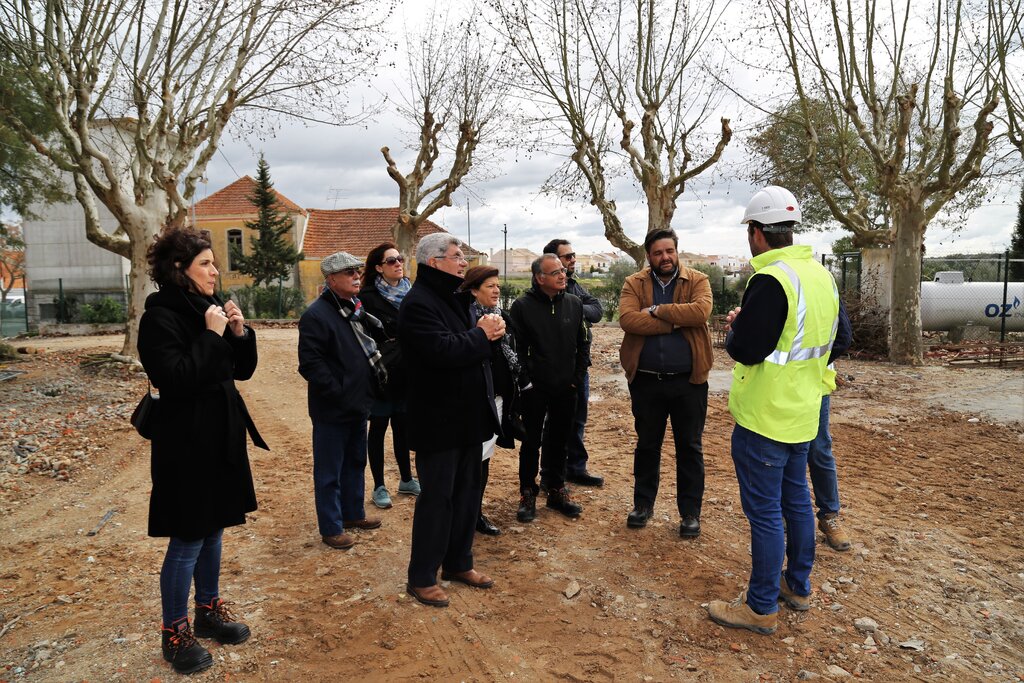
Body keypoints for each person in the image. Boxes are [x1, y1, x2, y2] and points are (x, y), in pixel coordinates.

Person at [707, 186, 840, 635]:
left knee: (765, 513)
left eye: (750, 231)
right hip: (804, 412)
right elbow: (838, 341)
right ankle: (797, 586)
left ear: (758, 233)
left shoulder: (771, 279)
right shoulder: (820, 275)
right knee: (797, 502)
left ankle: (760, 607)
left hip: (765, 417)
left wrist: (738, 326)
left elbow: (745, 349)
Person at [138, 227, 267, 675]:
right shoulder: (160, 318)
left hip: (221, 437)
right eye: (206, 263)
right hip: (185, 444)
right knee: (189, 535)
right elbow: (175, 380)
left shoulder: (207, 311)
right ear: (180, 270)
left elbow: (242, 371)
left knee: (215, 529)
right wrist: (212, 336)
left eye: (214, 262)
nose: (216, 270)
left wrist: (238, 331)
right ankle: (174, 632)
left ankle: (207, 611)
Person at [399, 233, 504, 608]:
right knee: (438, 499)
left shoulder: (457, 298)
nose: (464, 262)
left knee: (467, 494)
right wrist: (481, 335)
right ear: (434, 262)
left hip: (468, 415)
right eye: (457, 256)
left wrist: (486, 337)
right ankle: (422, 576)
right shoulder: (418, 304)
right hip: (438, 419)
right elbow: (440, 351)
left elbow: (469, 346)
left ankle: (459, 563)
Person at [618, 228, 713, 538]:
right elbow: (629, 320)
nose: (665, 257)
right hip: (646, 382)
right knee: (647, 445)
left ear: (677, 251)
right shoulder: (634, 282)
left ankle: (689, 514)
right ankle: (642, 506)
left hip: (689, 381)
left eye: (669, 251)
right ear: (649, 256)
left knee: (690, 447)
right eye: (658, 253)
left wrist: (659, 312)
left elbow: (700, 313)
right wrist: (676, 321)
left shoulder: (697, 280)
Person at [298, 251, 384, 553]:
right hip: (333, 408)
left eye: (357, 271)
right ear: (331, 279)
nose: (356, 276)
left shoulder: (355, 309)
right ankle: (332, 527)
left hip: (358, 403)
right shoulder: (316, 316)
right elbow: (310, 364)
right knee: (329, 470)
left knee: (355, 462)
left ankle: (353, 514)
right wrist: (339, 392)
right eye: (348, 273)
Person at [510, 253, 589, 523]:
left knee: (560, 439)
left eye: (562, 270)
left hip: (567, 387)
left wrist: (576, 378)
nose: (562, 274)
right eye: (554, 272)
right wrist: (527, 381)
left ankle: (555, 489)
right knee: (531, 442)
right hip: (535, 388)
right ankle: (527, 493)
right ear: (539, 278)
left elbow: (583, 343)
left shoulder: (574, 303)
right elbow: (517, 349)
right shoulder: (522, 306)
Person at [459, 265, 530, 536]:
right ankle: (465, 517)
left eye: (497, 285)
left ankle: (475, 514)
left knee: (484, 460)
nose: (497, 290)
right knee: (471, 461)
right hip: (476, 401)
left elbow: (513, 352)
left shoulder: (501, 315)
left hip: (499, 398)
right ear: (474, 290)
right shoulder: (467, 320)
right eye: (490, 286)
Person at [358, 242, 421, 509]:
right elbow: (364, 336)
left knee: (403, 427)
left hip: (408, 372)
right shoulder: (368, 297)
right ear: (378, 267)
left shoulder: (412, 292)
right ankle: (379, 485)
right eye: (392, 261)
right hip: (382, 373)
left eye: (400, 259)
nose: (398, 264)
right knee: (379, 428)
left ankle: (406, 479)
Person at [543, 239, 604, 487]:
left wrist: (574, 307)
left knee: (578, 419)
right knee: (555, 423)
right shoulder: (545, 289)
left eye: (573, 255)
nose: (572, 261)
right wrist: (576, 309)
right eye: (566, 257)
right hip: (554, 369)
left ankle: (576, 468)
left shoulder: (574, 286)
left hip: (580, 367)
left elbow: (597, 310)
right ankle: (551, 474)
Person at [811, 300, 853, 550]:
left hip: (815, 385)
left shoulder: (821, 281)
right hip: (779, 386)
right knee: (783, 449)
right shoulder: (775, 280)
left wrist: (811, 364)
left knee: (818, 450)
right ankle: (786, 514)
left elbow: (843, 336)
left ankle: (829, 516)